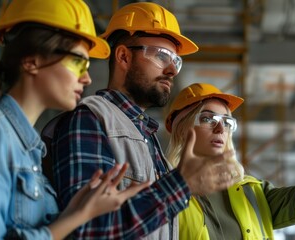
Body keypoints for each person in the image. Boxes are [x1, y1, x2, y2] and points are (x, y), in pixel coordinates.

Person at [42, 2, 238, 239]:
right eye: (161, 56)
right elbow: (88, 231)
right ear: (124, 56)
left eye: (176, 61)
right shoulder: (90, 120)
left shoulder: (148, 136)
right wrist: (181, 184)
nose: (172, 70)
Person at [0, 0, 151, 239]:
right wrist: (79, 215)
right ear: (31, 61)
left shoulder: (32, 150)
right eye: (77, 62)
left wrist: (75, 212)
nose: (87, 78)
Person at [165, 83, 295, 239]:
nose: (220, 129)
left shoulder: (250, 192)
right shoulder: (163, 192)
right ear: (182, 128)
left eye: (227, 122)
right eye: (208, 119)